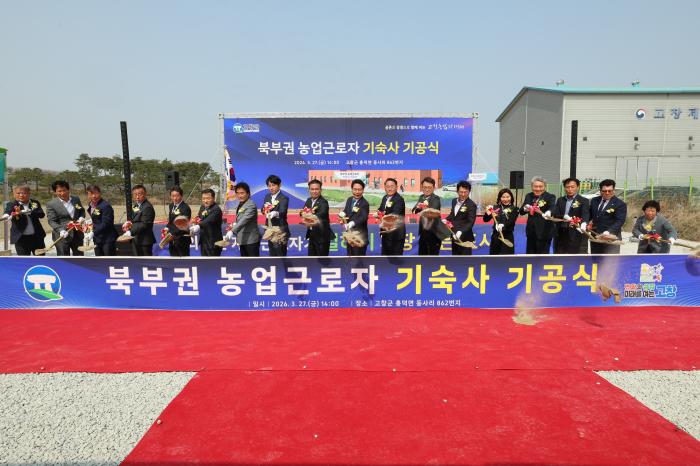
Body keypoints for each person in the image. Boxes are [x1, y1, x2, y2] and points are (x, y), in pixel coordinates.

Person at [3, 184, 46, 256]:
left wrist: (29, 212)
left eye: (24, 193)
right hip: (21, 239)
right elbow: (8, 211)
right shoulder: (12, 204)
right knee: (24, 260)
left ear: (29, 193)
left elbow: (41, 214)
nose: (21, 195)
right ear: (14, 194)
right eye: (18, 193)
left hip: (37, 238)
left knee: (40, 258)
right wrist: (6, 215)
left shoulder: (34, 203)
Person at [46, 180, 86, 256]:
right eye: (59, 191)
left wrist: (81, 217)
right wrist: (61, 230)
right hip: (62, 236)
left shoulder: (76, 199)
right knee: (64, 257)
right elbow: (51, 221)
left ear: (68, 189)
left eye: (64, 190)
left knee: (79, 256)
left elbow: (81, 211)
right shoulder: (51, 204)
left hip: (77, 234)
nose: (62, 193)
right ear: (55, 192)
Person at [519, 176, 557, 254]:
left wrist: (549, 212)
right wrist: (525, 209)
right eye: (535, 186)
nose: (538, 189)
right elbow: (521, 212)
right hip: (531, 232)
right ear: (532, 187)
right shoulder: (529, 196)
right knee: (530, 255)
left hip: (544, 232)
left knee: (543, 256)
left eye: (540, 186)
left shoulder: (550, 196)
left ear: (545, 187)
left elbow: (552, 207)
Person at [588, 179, 627, 254]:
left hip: (611, 239)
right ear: (600, 191)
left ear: (614, 191)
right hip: (596, 238)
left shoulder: (620, 204)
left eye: (610, 191)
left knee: (610, 260)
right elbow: (590, 215)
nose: (607, 193)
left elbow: (620, 221)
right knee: (595, 259)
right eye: (604, 191)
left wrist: (608, 231)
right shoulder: (594, 201)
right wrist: (584, 223)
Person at [553, 178, 590, 254]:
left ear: (578, 187)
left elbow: (585, 214)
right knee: (560, 255)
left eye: (572, 187)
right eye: (567, 187)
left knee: (574, 256)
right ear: (564, 188)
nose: (570, 189)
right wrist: (565, 216)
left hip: (575, 233)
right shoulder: (560, 200)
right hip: (561, 232)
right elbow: (556, 213)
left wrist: (584, 223)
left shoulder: (583, 200)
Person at [225, 182, 260, 256]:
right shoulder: (241, 204)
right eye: (237, 193)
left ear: (248, 194)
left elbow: (244, 219)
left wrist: (232, 231)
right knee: (244, 262)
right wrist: (234, 224)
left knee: (253, 262)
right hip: (242, 239)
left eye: (242, 193)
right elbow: (240, 219)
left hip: (251, 240)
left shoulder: (251, 205)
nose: (239, 196)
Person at [443, 180, 477, 255]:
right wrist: (446, 219)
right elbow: (453, 215)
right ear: (457, 191)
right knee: (455, 258)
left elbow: (470, 222)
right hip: (454, 234)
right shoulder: (454, 201)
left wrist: (461, 231)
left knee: (465, 260)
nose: (463, 194)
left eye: (466, 192)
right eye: (461, 192)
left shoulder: (471, 205)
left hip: (465, 238)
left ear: (469, 192)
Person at [121, 184, 156, 256]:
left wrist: (130, 232)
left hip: (144, 241)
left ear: (145, 194)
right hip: (136, 239)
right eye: (135, 194)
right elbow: (134, 219)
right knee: (137, 260)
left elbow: (144, 224)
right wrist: (128, 223)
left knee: (145, 261)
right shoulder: (136, 205)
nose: (137, 197)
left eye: (139, 194)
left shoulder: (147, 207)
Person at [411, 177, 442, 255]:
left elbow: (432, 211)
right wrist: (418, 207)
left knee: (432, 258)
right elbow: (414, 210)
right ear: (422, 187)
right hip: (423, 233)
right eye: (425, 187)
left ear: (434, 188)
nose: (427, 189)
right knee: (422, 256)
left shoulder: (436, 198)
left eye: (429, 187)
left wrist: (424, 207)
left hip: (434, 234)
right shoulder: (421, 197)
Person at [303, 179, 335, 256]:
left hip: (322, 237)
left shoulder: (323, 202)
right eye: (312, 189)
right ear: (309, 190)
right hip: (312, 235)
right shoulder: (308, 200)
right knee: (311, 259)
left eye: (316, 189)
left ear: (321, 190)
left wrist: (309, 216)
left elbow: (322, 214)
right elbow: (303, 211)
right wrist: (302, 214)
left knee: (322, 261)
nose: (314, 191)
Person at [262, 175, 290, 256]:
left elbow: (283, 211)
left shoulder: (284, 198)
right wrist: (264, 210)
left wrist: (275, 213)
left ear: (279, 185)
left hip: (280, 230)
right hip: (270, 230)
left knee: (280, 255)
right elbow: (262, 209)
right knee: (272, 255)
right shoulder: (267, 196)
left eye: (273, 185)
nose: (271, 188)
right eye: (269, 186)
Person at [483, 188, 517, 255]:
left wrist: (503, 225)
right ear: (499, 198)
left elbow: (511, 221)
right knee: (495, 258)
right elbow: (485, 219)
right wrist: (487, 213)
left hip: (507, 237)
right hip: (496, 237)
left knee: (506, 258)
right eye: (503, 197)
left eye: (508, 197)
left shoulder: (514, 209)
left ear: (511, 197)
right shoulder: (495, 208)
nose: (505, 199)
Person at [341, 179, 370, 256]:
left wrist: (352, 223)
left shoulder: (365, 203)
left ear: (363, 190)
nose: (357, 192)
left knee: (358, 260)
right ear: (352, 189)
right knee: (350, 257)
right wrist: (343, 213)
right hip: (350, 236)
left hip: (359, 238)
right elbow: (347, 211)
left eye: (359, 190)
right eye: (355, 189)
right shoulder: (349, 199)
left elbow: (363, 217)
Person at [377, 178, 406, 255]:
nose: (389, 189)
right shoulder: (385, 198)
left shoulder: (399, 199)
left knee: (395, 259)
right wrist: (378, 212)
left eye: (392, 186)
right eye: (387, 186)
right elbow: (381, 209)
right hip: (386, 234)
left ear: (396, 187)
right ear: (385, 187)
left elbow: (394, 215)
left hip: (396, 235)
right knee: (385, 258)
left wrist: (383, 215)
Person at [86, 184, 117, 256]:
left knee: (108, 260)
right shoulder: (91, 204)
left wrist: (93, 232)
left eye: (95, 193)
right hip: (97, 239)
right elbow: (96, 218)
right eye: (91, 194)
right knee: (99, 260)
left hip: (107, 239)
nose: (94, 196)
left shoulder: (105, 206)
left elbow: (106, 223)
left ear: (100, 193)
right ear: (88, 195)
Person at [190, 189, 223, 257]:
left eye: (208, 198)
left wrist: (198, 226)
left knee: (212, 262)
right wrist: (195, 221)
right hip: (204, 240)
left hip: (213, 242)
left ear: (213, 198)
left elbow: (208, 221)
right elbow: (200, 218)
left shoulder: (216, 209)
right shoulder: (203, 207)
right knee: (204, 262)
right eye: (203, 198)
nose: (205, 201)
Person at [166, 186, 192, 257]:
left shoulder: (185, 208)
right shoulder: (171, 206)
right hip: (172, 239)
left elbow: (183, 225)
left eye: (177, 196)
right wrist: (166, 228)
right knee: (173, 259)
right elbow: (170, 221)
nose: (175, 198)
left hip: (182, 239)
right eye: (173, 196)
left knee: (183, 260)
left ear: (181, 196)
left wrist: (171, 233)